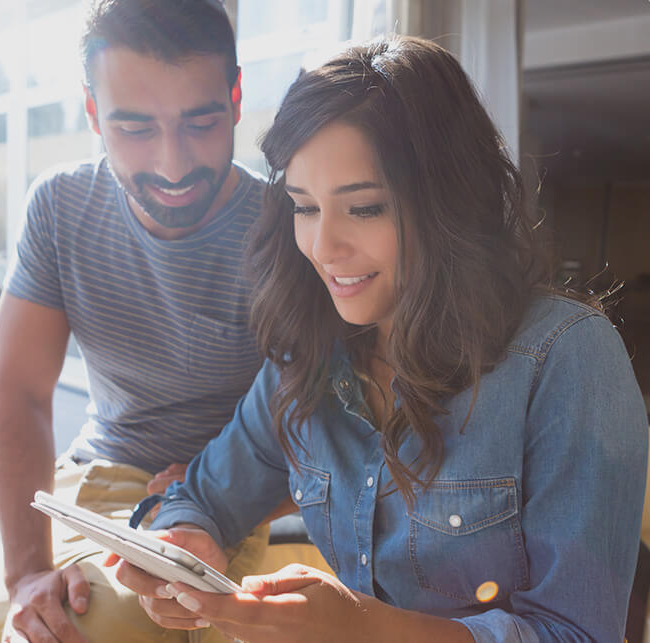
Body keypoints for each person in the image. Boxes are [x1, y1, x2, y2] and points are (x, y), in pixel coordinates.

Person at [115, 35, 649, 642]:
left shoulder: (567, 357)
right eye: (304, 207)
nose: (323, 247)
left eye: (365, 208)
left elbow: (578, 634)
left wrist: (364, 629)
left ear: (450, 201)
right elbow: (201, 495)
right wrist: (185, 542)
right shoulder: (306, 358)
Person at [0, 1, 302, 641]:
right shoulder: (60, 207)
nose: (173, 165)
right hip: (91, 476)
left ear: (236, 98)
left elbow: (331, 424)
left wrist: (220, 492)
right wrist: (27, 573)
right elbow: (19, 391)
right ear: (92, 112)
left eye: (200, 122)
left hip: (214, 497)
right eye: (135, 128)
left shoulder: (287, 230)